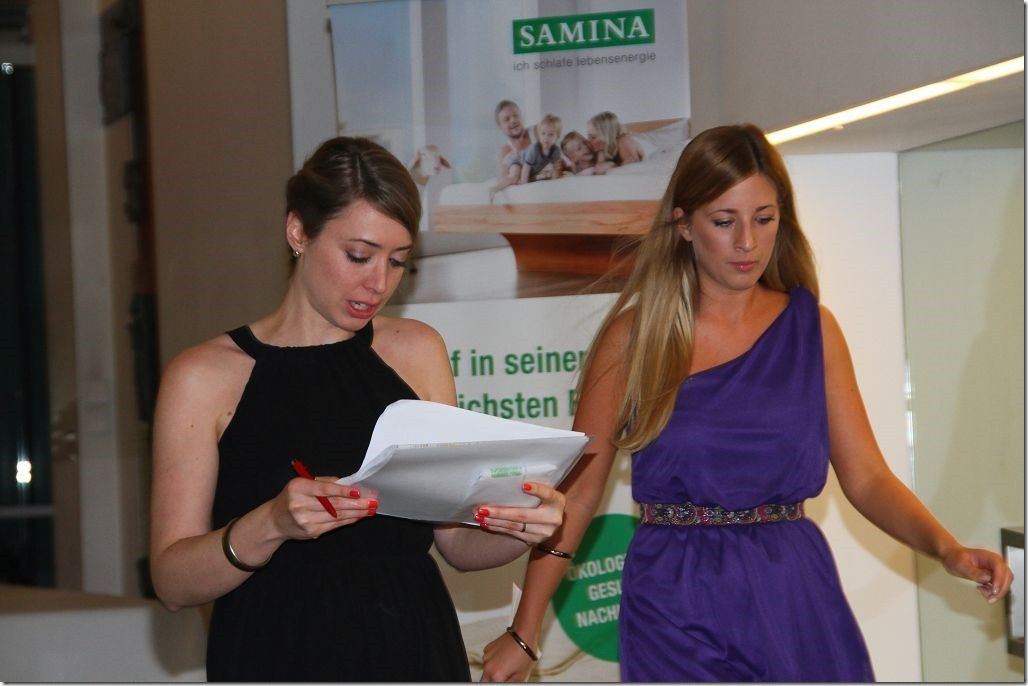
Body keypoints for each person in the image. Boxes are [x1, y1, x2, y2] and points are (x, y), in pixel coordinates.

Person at [480, 123, 1013, 682]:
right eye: (724, 221)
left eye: (764, 219)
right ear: (683, 224)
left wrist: (947, 549)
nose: (747, 243)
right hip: (672, 597)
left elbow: (867, 477)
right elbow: (580, 494)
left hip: (791, 591)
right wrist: (525, 629)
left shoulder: (813, 329)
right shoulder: (634, 338)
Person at [149, 136, 567, 682]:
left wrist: (519, 526)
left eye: (398, 262)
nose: (378, 283)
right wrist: (270, 524)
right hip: (274, 654)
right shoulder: (203, 376)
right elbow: (172, 583)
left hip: (414, 651)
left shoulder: (417, 351)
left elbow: (457, 543)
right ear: (298, 232)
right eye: (359, 256)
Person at [491, 114, 563, 197]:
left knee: (543, 176)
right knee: (514, 177)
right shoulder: (535, 148)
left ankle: (517, 180)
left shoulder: (556, 151)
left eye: (551, 135)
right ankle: (495, 188)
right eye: (543, 133)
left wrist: (555, 184)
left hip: (531, 169)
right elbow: (526, 166)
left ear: (557, 136)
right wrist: (524, 184)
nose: (546, 137)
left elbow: (555, 169)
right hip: (519, 162)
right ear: (539, 134)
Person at [494, 99, 532, 180]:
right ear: (500, 127)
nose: (513, 120)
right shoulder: (506, 150)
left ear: (522, 116)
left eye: (516, 115)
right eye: (506, 119)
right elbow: (503, 178)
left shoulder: (536, 133)